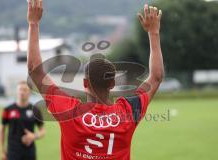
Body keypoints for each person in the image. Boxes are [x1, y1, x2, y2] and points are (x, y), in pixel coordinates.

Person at [27, 0, 164, 159]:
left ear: (85, 83)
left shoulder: (69, 111)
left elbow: (34, 70)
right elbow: (156, 77)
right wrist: (153, 32)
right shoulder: (128, 111)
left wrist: (33, 23)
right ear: (112, 83)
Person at [0, 81, 45, 160]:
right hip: (12, 152)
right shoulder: (8, 110)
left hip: (29, 152)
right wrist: (2, 150)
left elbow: (42, 130)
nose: (22, 92)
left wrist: (34, 136)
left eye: (25, 90)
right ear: (17, 91)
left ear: (29, 92)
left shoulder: (35, 110)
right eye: (20, 89)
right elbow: (2, 129)